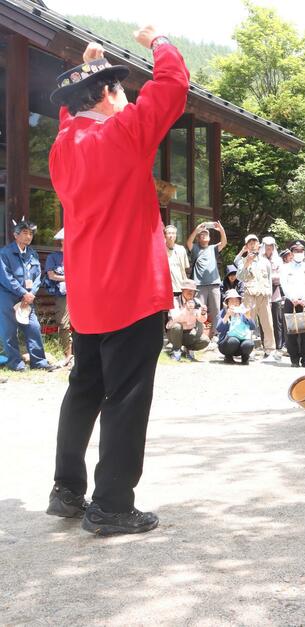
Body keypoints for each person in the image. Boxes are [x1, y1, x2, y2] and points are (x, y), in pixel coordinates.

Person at [46, 31, 189, 534]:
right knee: (126, 396)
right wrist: (159, 41)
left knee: (84, 389)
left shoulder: (63, 149)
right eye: (120, 89)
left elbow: (71, 114)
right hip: (130, 289)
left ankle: (67, 490)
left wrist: (93, 69)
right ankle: (111, 504)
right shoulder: (124, 132)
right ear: (108, 95)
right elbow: (172, 85)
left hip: (88, 297)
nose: (127, 97)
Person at [0, 218, 56, 372]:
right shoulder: (5, 253)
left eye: (31, 233)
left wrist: (31, 294)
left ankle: (39, 362)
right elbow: (6, 278)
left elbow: (38, 276)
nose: (29, 236)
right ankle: (16, 364)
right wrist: (23, 292)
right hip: (8, 297)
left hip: (27, 297)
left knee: (33, 327)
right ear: (15, 235)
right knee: (9, 331)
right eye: (25, 233)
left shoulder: (32, 254)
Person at [236, 234, 276, 361]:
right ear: (247, 246)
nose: (253, 245)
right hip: (249, 296)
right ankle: (248, 350)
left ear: (259, 245)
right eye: (250, 243)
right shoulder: (243, 261)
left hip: (264, 296)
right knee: (248, 324)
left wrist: (269, 297)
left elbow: (269, 279)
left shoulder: (265, 261)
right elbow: (240, 278)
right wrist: (247, 263)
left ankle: (270, 351)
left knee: (268, 324)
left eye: (255, 243)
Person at [280, 239, 305, 368]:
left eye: (301, 251)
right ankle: (294, 358)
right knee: (292, 331)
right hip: (291, 302)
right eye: (296, 251)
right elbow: (283, 285)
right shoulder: (285, 268)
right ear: (291, 252)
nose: (299, 253)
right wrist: (292, 298)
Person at [187, 220, 227, 339]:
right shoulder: (195, 248)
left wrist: (221, 230)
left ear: (209, 238)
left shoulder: (213, 248)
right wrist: (196, 230)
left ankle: (215, 334)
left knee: (215, 311)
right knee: (199, 310)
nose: (204, 236)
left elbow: (224, 243)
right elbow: (188, 242)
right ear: (198, 238)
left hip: (214, 283)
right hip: (199, 285)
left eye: (206, 234)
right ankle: (199, 334)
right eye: (201, 235)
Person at [44, 228, 72, 367]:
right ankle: (67, 355)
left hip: (81, 293)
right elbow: (51, 276)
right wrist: (71, 279)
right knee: (63, 323)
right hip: (63, 295)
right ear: (61, 240)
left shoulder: (79, 254)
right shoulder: (53, 257)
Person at [166, 279, 209, 361]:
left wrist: (203, 313)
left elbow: (202, 320)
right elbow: (175, 318)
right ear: (182, 290)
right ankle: (176, 351)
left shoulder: (197, 302)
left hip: (189, 333)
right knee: (177, 326)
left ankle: (189, 350)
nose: (191, 292)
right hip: (174, 333)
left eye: (193, 291)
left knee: (205, 340)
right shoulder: (175, 301)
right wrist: (186, 309)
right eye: (188, 290)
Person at [215, 289, 256, 365]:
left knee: (249, 344)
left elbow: (253, 327)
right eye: (231, 301)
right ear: (227, 303)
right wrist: (227, 316)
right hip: (227, 344)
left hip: (242, 343)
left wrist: (248, 317)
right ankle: (228, 357)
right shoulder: (223, 312)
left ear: (240, 302)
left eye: (236, 300)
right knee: (233, 340)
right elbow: (218, 328)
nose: (234, 303)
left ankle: (245, 357)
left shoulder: (243, 312)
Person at [263, 236, 285, 358]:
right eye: (266, 246)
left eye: (271, 246)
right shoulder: (259, 259)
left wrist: (268, 278)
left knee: (277, 321)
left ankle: (278, 347)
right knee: (264, 322)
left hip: (275, 294)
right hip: (262, 295)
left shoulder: (278, 260)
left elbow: (280, 278)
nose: (269, 248)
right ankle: (266, 347)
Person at [164, 225, 190, 297]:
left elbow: (185, 269)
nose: (171, 235)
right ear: (165, 235)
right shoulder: (161, 250)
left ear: (176, 235)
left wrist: (187, 285)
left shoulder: (181, 249)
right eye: (169, 233)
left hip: (180, 287)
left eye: (173, 233)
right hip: (166, 288)